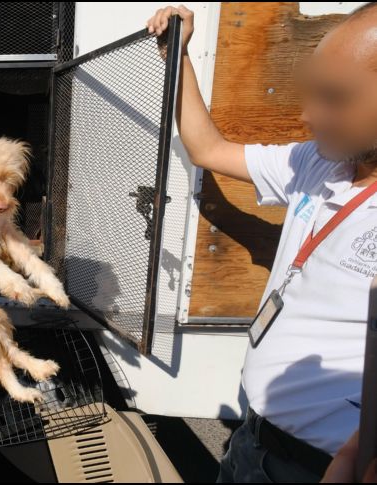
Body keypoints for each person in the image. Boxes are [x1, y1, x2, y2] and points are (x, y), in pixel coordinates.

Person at [147, 3, 377, 482]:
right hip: (253, 440)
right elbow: (207, 150)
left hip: (318, 468)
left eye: (334, 98)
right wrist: (177, 55)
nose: (309, 114)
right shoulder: (318, 162)